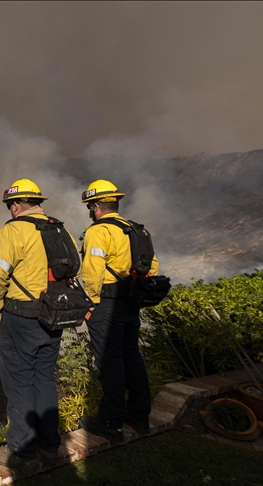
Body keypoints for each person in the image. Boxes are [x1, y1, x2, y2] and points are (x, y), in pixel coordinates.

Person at [0, 179, 75, 473]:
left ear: (15, 205)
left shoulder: (12, 231)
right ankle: (49, 446)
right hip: (55, 316)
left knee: (19, 381)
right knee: (44, 378)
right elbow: (76, 267)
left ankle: (22, 451)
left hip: (21, 317)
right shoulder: (60, 228)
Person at [77, 179, 159, 441]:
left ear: (97, 206)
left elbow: (92, 272)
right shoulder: (136, 230)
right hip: (131, 302)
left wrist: (89, 304)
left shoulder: (98, 232)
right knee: (131, 357)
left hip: (106, 305)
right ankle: (139, 416)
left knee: (109, 362)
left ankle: (111, 422)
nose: (92, 211)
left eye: (91, 206)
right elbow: (152, 267)